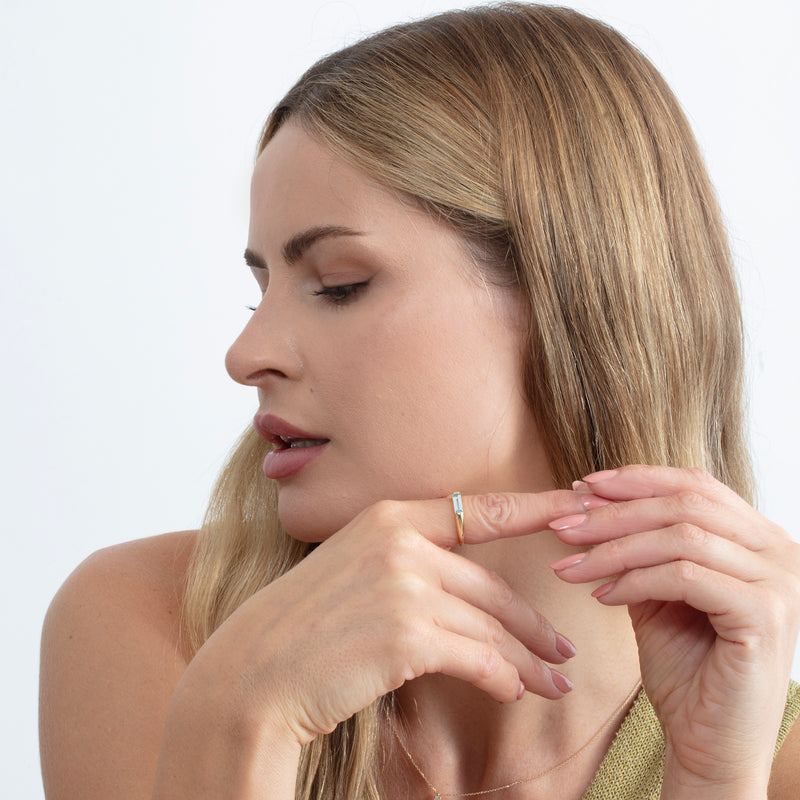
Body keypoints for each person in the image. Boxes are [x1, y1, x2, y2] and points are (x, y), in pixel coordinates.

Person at [39, 4, 800, 798]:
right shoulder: (158, 623)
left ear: (568, 295)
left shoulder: (766, 758)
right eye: (261, 290)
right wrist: (247, 717)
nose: (247, 354)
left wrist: (713, 780)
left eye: (339, 284)